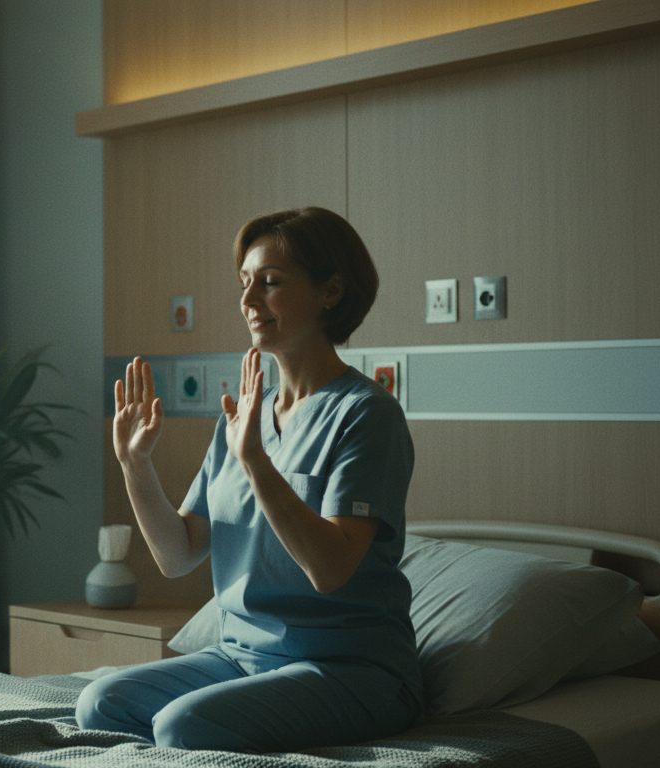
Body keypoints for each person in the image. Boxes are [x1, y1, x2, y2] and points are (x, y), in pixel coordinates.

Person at [76, 207, 422, 753]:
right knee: (98, 703)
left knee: (181, 726)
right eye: (245, 284)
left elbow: (330, 569)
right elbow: (178, 553)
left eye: (271, 282)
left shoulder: (366, 415)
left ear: (330, 291)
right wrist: (133, 464)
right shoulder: (244, 418)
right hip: (239, 656)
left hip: (347, 667)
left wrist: (257, 463)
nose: (248, 300)